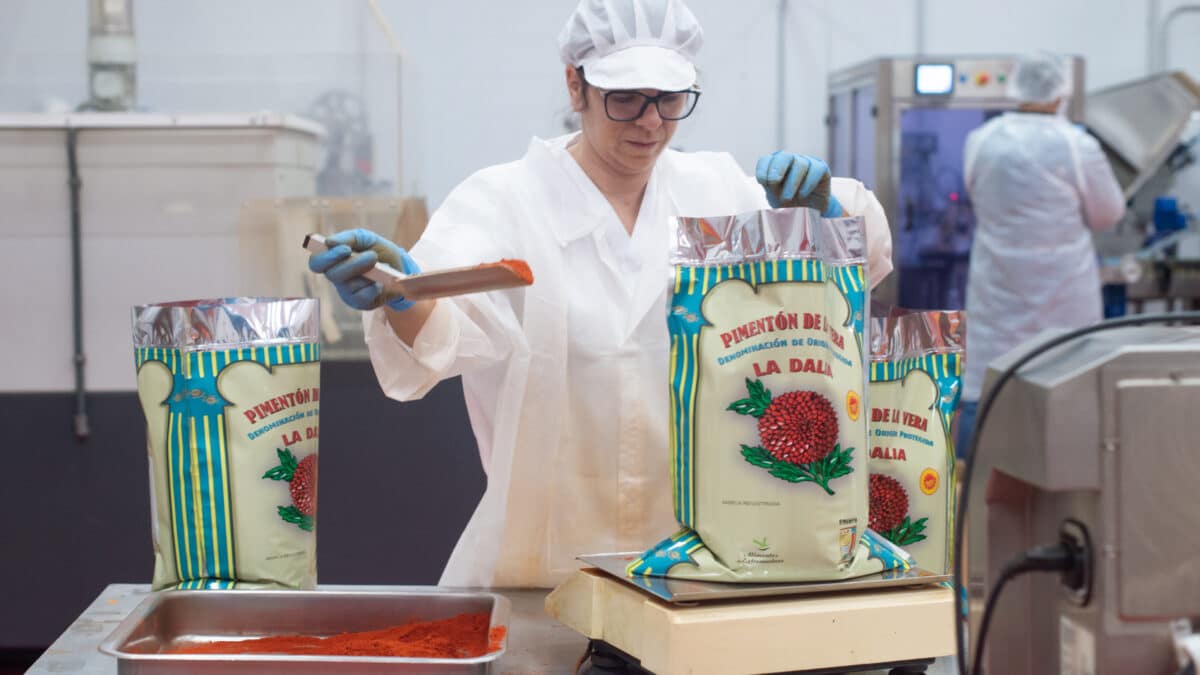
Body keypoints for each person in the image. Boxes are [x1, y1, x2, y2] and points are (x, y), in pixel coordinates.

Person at [309, 0, 894, 588]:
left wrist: (829, 214)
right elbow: (446, 334)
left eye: (669, 100)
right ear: (575, 85)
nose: (649, 123)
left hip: (698, 562)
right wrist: (402, 296)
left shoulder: (717, 190)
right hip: (543, 565)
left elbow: (844, 278)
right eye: (625, 98)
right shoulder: (502, 202)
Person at [958, 53, 1125, 455]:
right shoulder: (1076, 144)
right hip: (1063, 289)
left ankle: (970, 487)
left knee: (986, 385)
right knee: (1066, 380)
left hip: (997, 286)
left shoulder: (981, 140)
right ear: (1059, 92)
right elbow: (1109, 214)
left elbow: (972, 194)